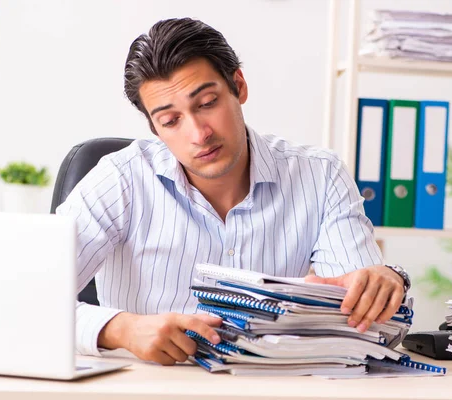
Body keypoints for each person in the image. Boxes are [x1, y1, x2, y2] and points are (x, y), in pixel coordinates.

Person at [56, 17, 411, 366]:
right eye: (171, 120)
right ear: (154, 127)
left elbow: (360, 317)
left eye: (207, 102)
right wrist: (119, 329)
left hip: (277, 387)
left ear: (238, 86)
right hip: (150, 388)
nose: (199, 133)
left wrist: (384, 281)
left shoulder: (319, 175)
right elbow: (22, 298)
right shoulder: (119, 181)